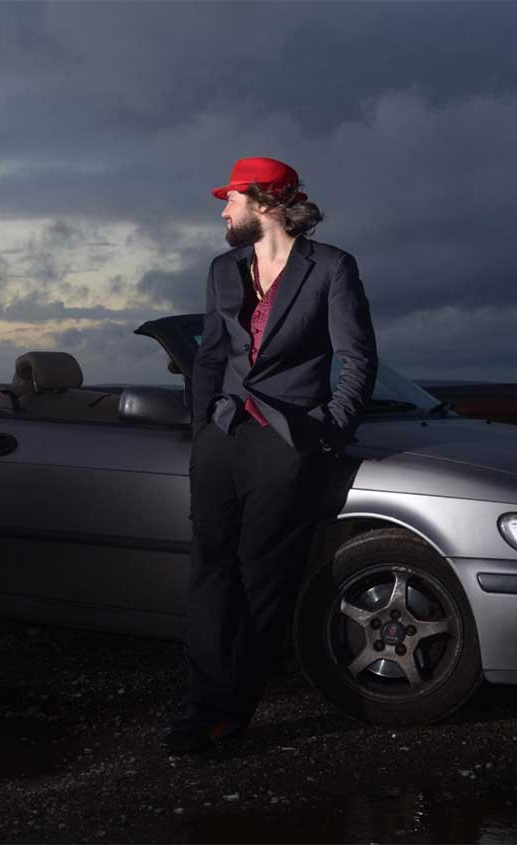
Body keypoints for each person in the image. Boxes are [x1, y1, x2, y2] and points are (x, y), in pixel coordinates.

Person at [162, 156, 379, 754]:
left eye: (229, 198)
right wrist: (203, 419)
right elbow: (211, 355)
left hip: (286, 442)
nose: (221, 209)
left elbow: (356, 359)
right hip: (222, 436)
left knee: (262, 581)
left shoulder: (331, 267)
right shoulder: (223, 268)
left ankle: (231, 715)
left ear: (263, 202)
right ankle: (199, 706)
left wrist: (329, 431)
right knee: (209, 575)